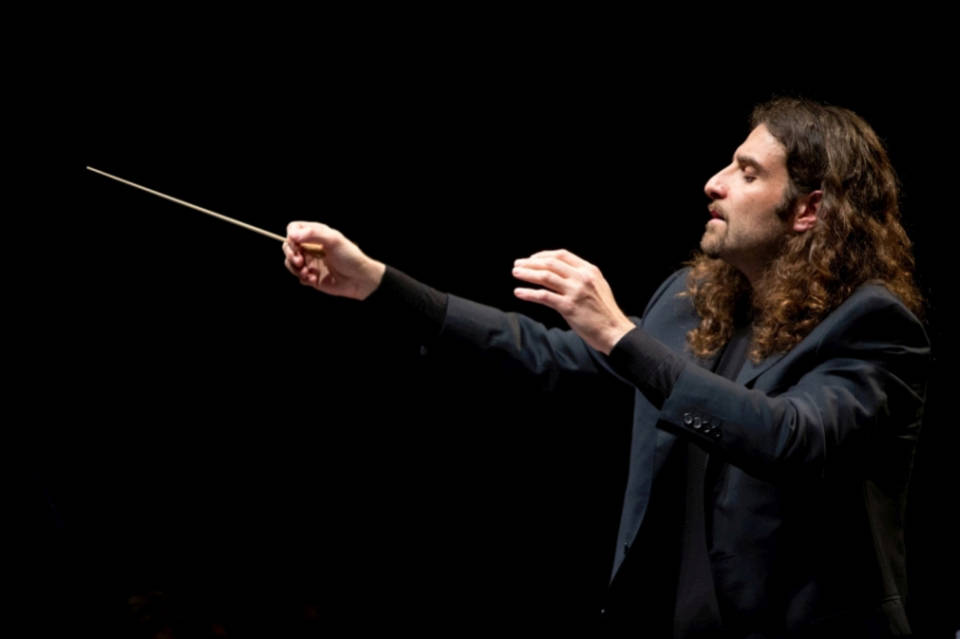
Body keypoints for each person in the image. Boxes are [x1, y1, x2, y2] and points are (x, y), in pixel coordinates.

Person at [281, 97, 929, 637]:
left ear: (808, 210)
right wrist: (378, 283)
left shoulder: (873, 327)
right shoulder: (689, 302)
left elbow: (789, 436)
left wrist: (620, 332)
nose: (715, 182)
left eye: (748, 172)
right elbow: (547, 358)